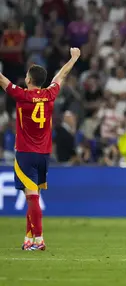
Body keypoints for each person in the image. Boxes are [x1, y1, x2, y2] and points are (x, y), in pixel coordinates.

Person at [0, 47, 81, 251]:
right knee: (32, 196)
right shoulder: (50, 94)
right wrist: (74, 58)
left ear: (29, 79)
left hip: (25, 153)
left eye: (26, 75)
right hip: (43, 154)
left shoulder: (22, 96)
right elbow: (61, 75)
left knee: (32, 197)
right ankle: (28, 239)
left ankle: (39, 239)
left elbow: (2, 81)